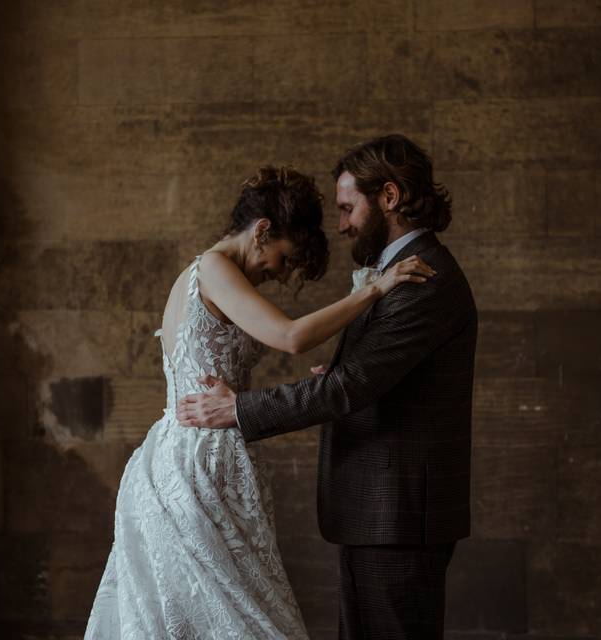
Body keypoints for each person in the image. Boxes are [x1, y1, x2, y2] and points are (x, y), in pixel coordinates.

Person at [83, 165, 434, 639]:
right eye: (284, 259)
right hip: (196, 468)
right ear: (262, 230)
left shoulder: (210, 273)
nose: (280, 274)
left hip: (207, 458)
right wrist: (375, 288)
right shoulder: (213, 267)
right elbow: (290, 336)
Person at [177, 134, 478, 639]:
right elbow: (367, 380)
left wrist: (239, 410)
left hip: (399, 515)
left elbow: (350, 388)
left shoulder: (423, 278)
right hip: (378, 512)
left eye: (347, 208)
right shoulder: (399, 273)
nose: (341, 226)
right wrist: (343, 378)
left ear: (389, 197)